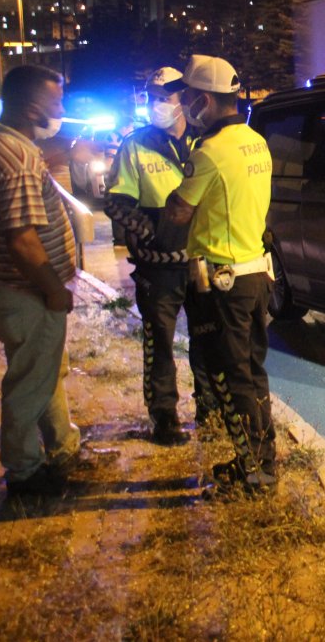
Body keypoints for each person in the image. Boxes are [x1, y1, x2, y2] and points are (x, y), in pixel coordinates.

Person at [161, 55, 276, 496]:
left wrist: (175, 199)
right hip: (254, 276)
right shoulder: (256, 142)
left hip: (222, 283)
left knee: (229, 377)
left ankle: (256, 476)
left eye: (189, 97)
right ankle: (261, 462)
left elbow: (179, 211)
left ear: (204, 100)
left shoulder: (208, 153)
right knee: (252, 372)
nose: (186, 105)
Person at [0, 65, 82, 497]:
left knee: (42, 372)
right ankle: (24, 471)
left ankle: (62, 446)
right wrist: (54, 288)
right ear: (33, 106)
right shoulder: (17, 157)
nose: (61, 110)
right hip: (25, 291)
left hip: (6, 287)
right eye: (56, 102)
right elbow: (22, 239)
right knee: (29, 382)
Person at [104, 67, 209, 445]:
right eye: (151, 97)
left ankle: (209, 412)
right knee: (159, 344)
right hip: (158, 268)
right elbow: (115, 203)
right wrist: (153, 233)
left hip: (203, 263)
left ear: (183, 100)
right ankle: (164, 417)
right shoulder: (135, 145)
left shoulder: (204, 141)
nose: (155, 105)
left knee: (207, 340)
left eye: (163, 98)